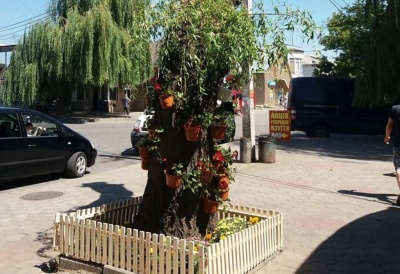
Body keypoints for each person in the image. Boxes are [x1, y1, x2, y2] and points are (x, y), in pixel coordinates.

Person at [384, 105, 400, 205]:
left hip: (399, 145)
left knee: (399, 167)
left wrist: (387, 136)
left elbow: (389, 125)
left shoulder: (395, 109)